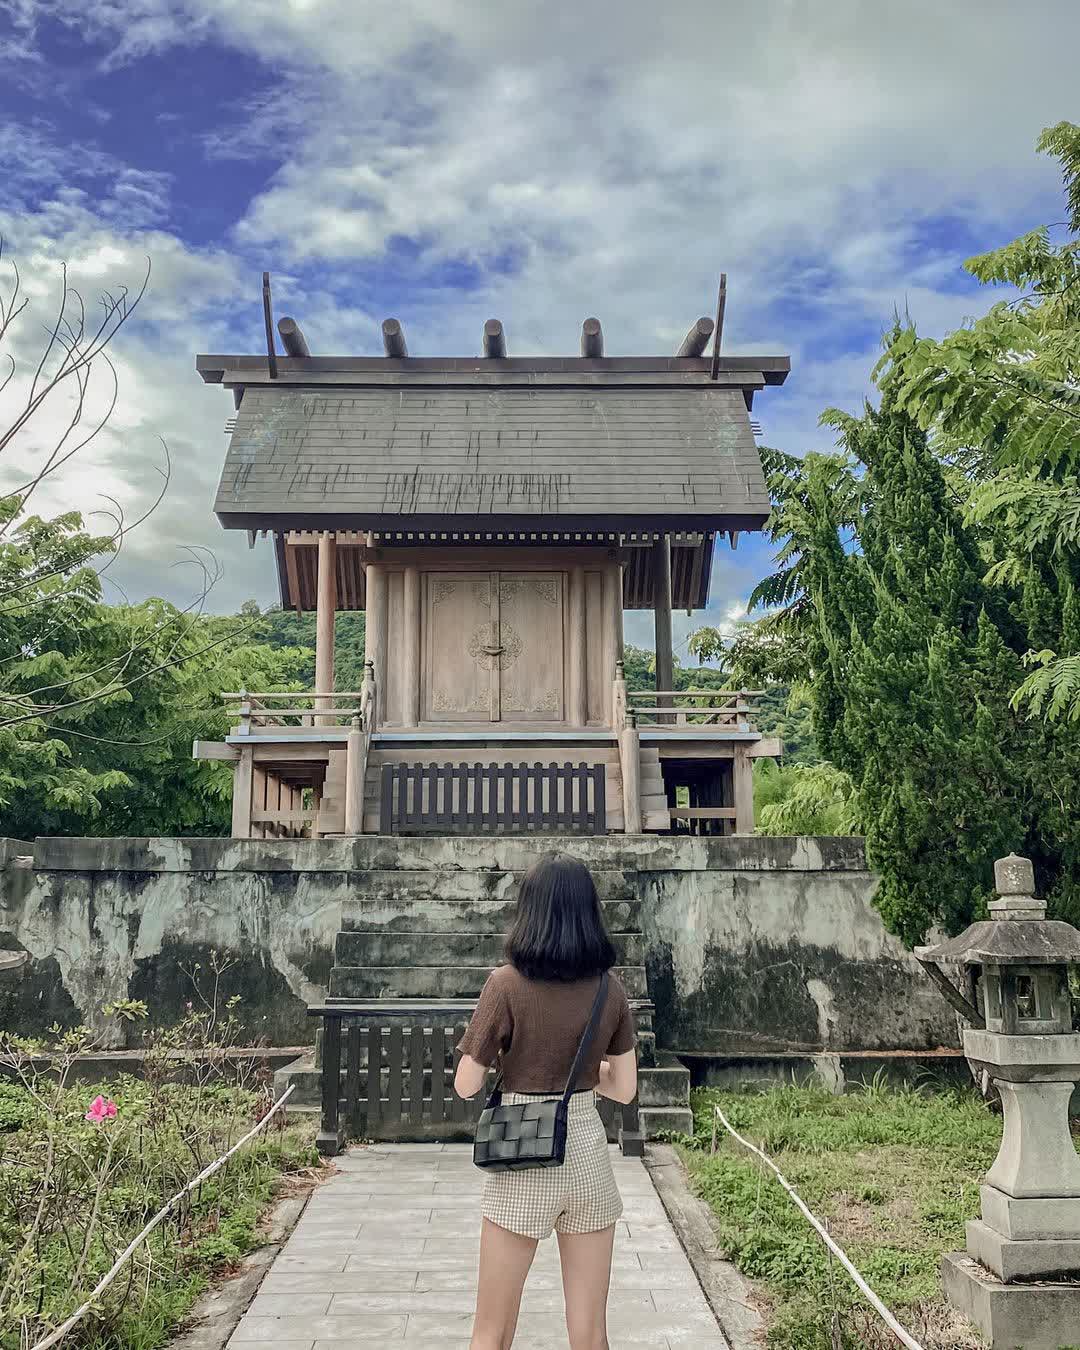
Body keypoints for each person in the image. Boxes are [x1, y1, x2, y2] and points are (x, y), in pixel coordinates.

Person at [454, 853, 638, 1350]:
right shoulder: (610, 989)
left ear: (529, 909)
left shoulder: (504, 985)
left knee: (491, 1331)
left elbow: (466, 1084)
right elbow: (623, 1089)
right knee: (590, 1333)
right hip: (585, 1149)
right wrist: (585, 1073)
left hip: (522, 1152)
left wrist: (515, 1060)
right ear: (588, 912)